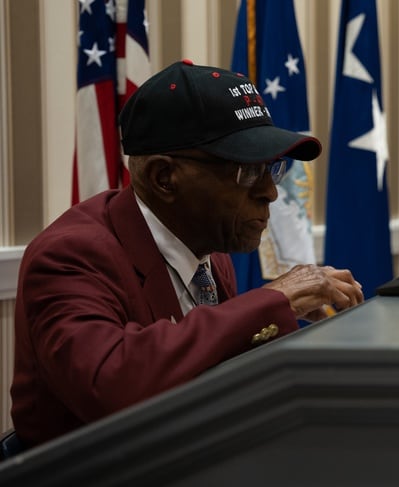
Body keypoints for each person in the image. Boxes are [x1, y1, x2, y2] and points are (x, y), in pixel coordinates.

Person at [6, 60, 365, 454]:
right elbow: (111, 383)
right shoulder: (70, 255)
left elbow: (213, 371)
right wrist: (270, 301)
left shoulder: (209, 247)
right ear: (164, 178)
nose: (270, 192)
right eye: (246, 172)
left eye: (271, 169)